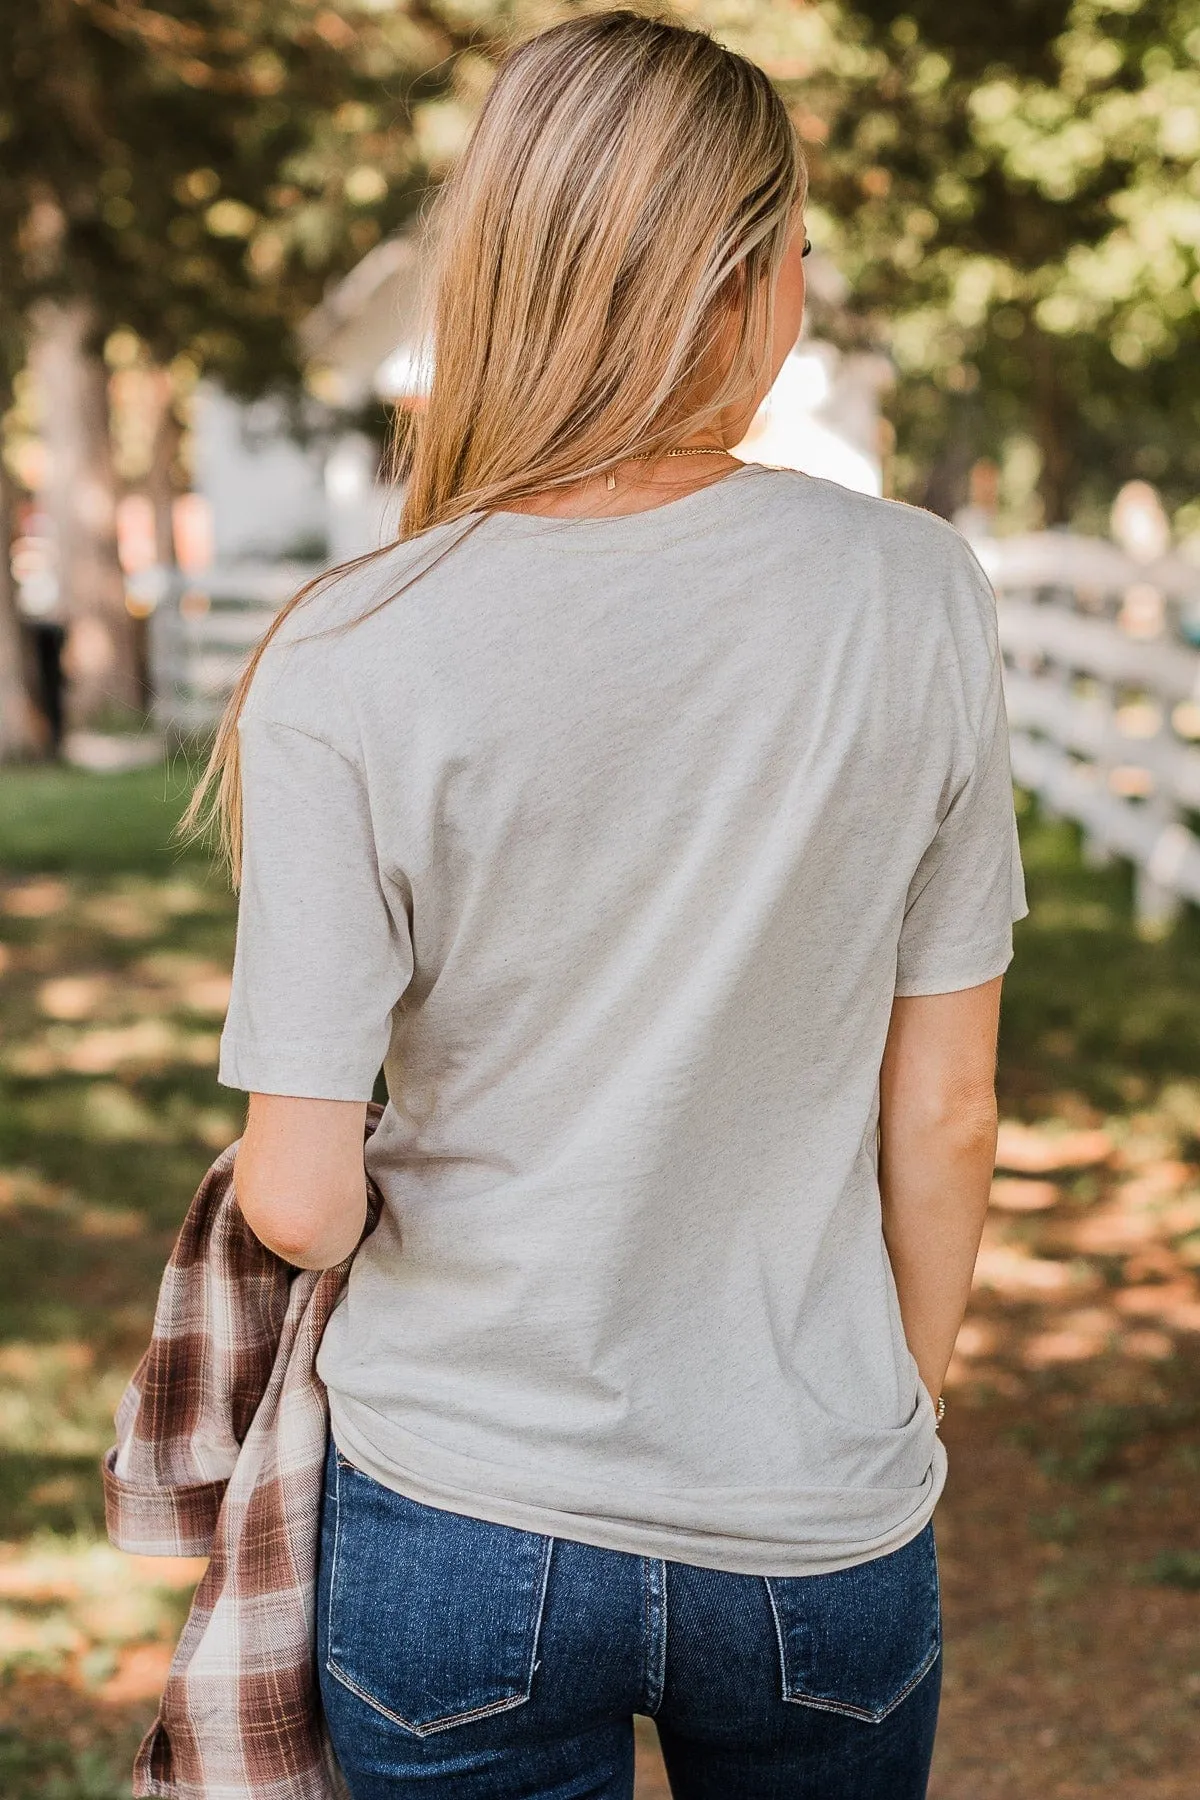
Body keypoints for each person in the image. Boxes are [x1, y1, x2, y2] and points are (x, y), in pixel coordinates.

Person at [184, 12, 1026, 1798]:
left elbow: (303, 1199)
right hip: (817, 1508)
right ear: (743, 283)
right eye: (793, 247)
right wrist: (890, 1405)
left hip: (461, 1520)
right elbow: (947, 1110)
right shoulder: (913, 591)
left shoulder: (353, 644)